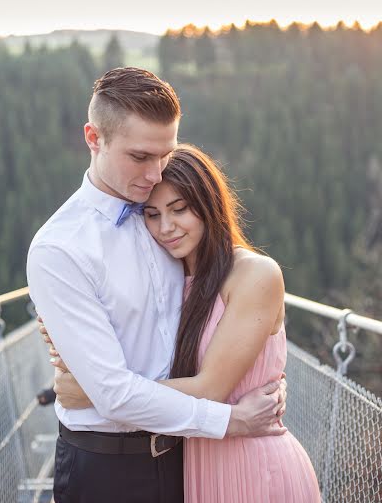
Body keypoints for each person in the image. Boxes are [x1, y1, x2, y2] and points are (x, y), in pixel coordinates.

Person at [27, 67, 287, 503]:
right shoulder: (60, 249)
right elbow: (111, 394)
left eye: (165, 155)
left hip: (189, 458)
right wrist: (231, 420)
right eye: (140, 157)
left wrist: (265, 370)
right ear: (94, 138)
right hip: (108, 469)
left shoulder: (170, 227)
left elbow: (221, 312)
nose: (154, 174)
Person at [50, 144, 320, 503]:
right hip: (191, 467)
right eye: (151, 214)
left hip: (252, 467)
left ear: (209, 204)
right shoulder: (169, 281)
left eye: (180, 210)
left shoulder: (254, 274)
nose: (166, 227)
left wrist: (95, 393)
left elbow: (210, 389)